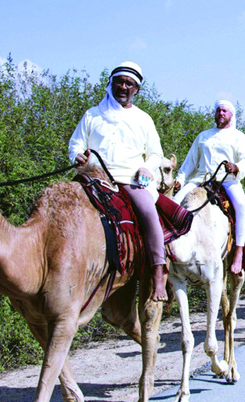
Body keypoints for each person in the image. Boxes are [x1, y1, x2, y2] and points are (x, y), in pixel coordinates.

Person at [69, 61, 170, 301]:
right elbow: (76, 143)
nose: (123, 86)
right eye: (119, 81)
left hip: (129, 178)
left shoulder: (143, 119)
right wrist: (77, 155)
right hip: (94, 176)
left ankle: (158, 272)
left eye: (129, 83)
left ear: (137, 89)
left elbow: (156, 153)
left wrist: (147, 167)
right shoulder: (92, 114)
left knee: (148, 212)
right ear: (111, 83)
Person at [172, 100, 245, 275]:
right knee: (174, 203)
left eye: (224, 111)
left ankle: (239, 251)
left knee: (241, 206)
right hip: (201, 179)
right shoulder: (203, 136)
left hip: (227, 180)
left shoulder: (238, 136)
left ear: (231, 115)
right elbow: (190, 162)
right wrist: (180, 179)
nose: (220, 113)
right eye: (218, 110)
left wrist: (237, 167)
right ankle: (169, 249)